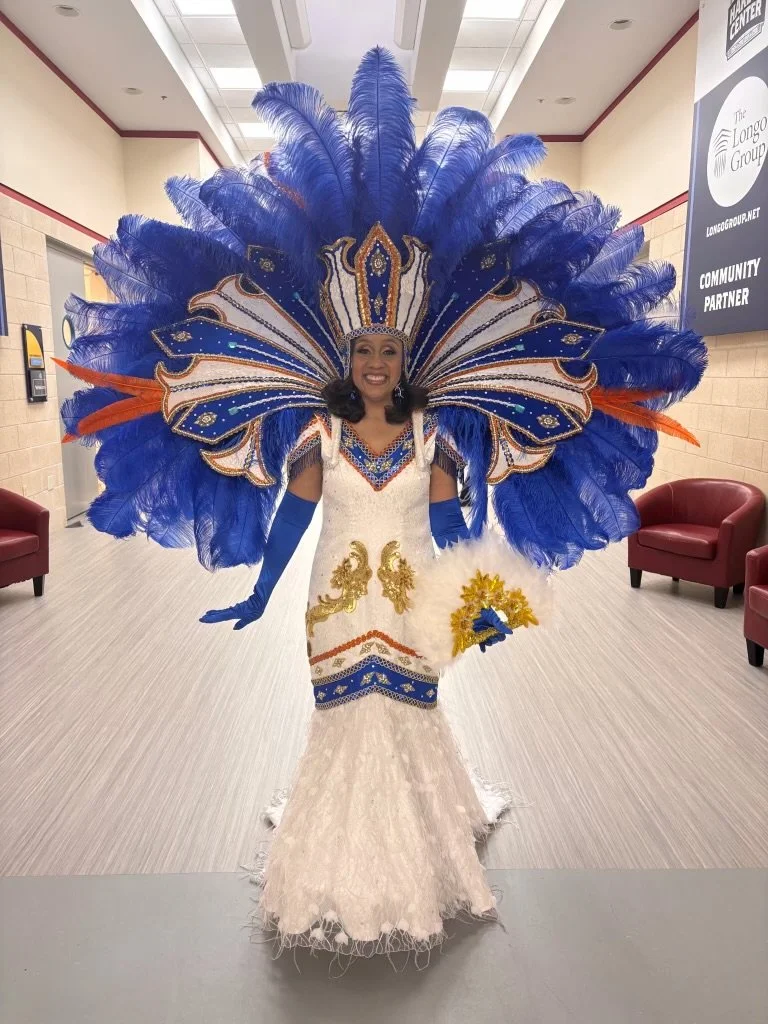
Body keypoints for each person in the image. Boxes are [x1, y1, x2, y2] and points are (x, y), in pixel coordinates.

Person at [57, 47, 705, 961]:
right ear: (344, 355)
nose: (374, 364)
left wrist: (477, 589)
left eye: (387, 353)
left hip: (408, 600)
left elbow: (449, 524)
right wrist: (258, 589)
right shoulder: (314, 437)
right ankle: (328, 860)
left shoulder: (438, 434)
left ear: (404, 359)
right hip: (331, 596)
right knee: (340, 714)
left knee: (409, 709)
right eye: (363, 351)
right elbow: (291, 517)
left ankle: (423, 845)